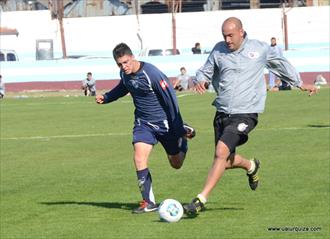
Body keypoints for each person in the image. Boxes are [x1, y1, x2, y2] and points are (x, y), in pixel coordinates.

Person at [184, 17, 318, 217]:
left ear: (241, 32)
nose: (227, 40)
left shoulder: (260, 49)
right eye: (224, 36)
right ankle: (251, 165)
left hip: (246, 112)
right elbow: (205, 70)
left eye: (230, 35)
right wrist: (201, 80)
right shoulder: (219, 50)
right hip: (222, 111)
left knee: (221, 151)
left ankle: (200, 199)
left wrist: (299, 83)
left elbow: (280, 64)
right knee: (225, 161)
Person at [95, 43, 196, 214]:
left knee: (176, 163)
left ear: (133, 57)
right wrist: (107, 97)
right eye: (119, 64)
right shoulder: (125, 74)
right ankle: (148, 202)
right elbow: (123, 87)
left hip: (165, 124)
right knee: (139, 158)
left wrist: (177, 127)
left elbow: (170, 99)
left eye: (126, 62)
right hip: (144, 123)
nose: (124, 67)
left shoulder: (152, 74)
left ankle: (183, 138)